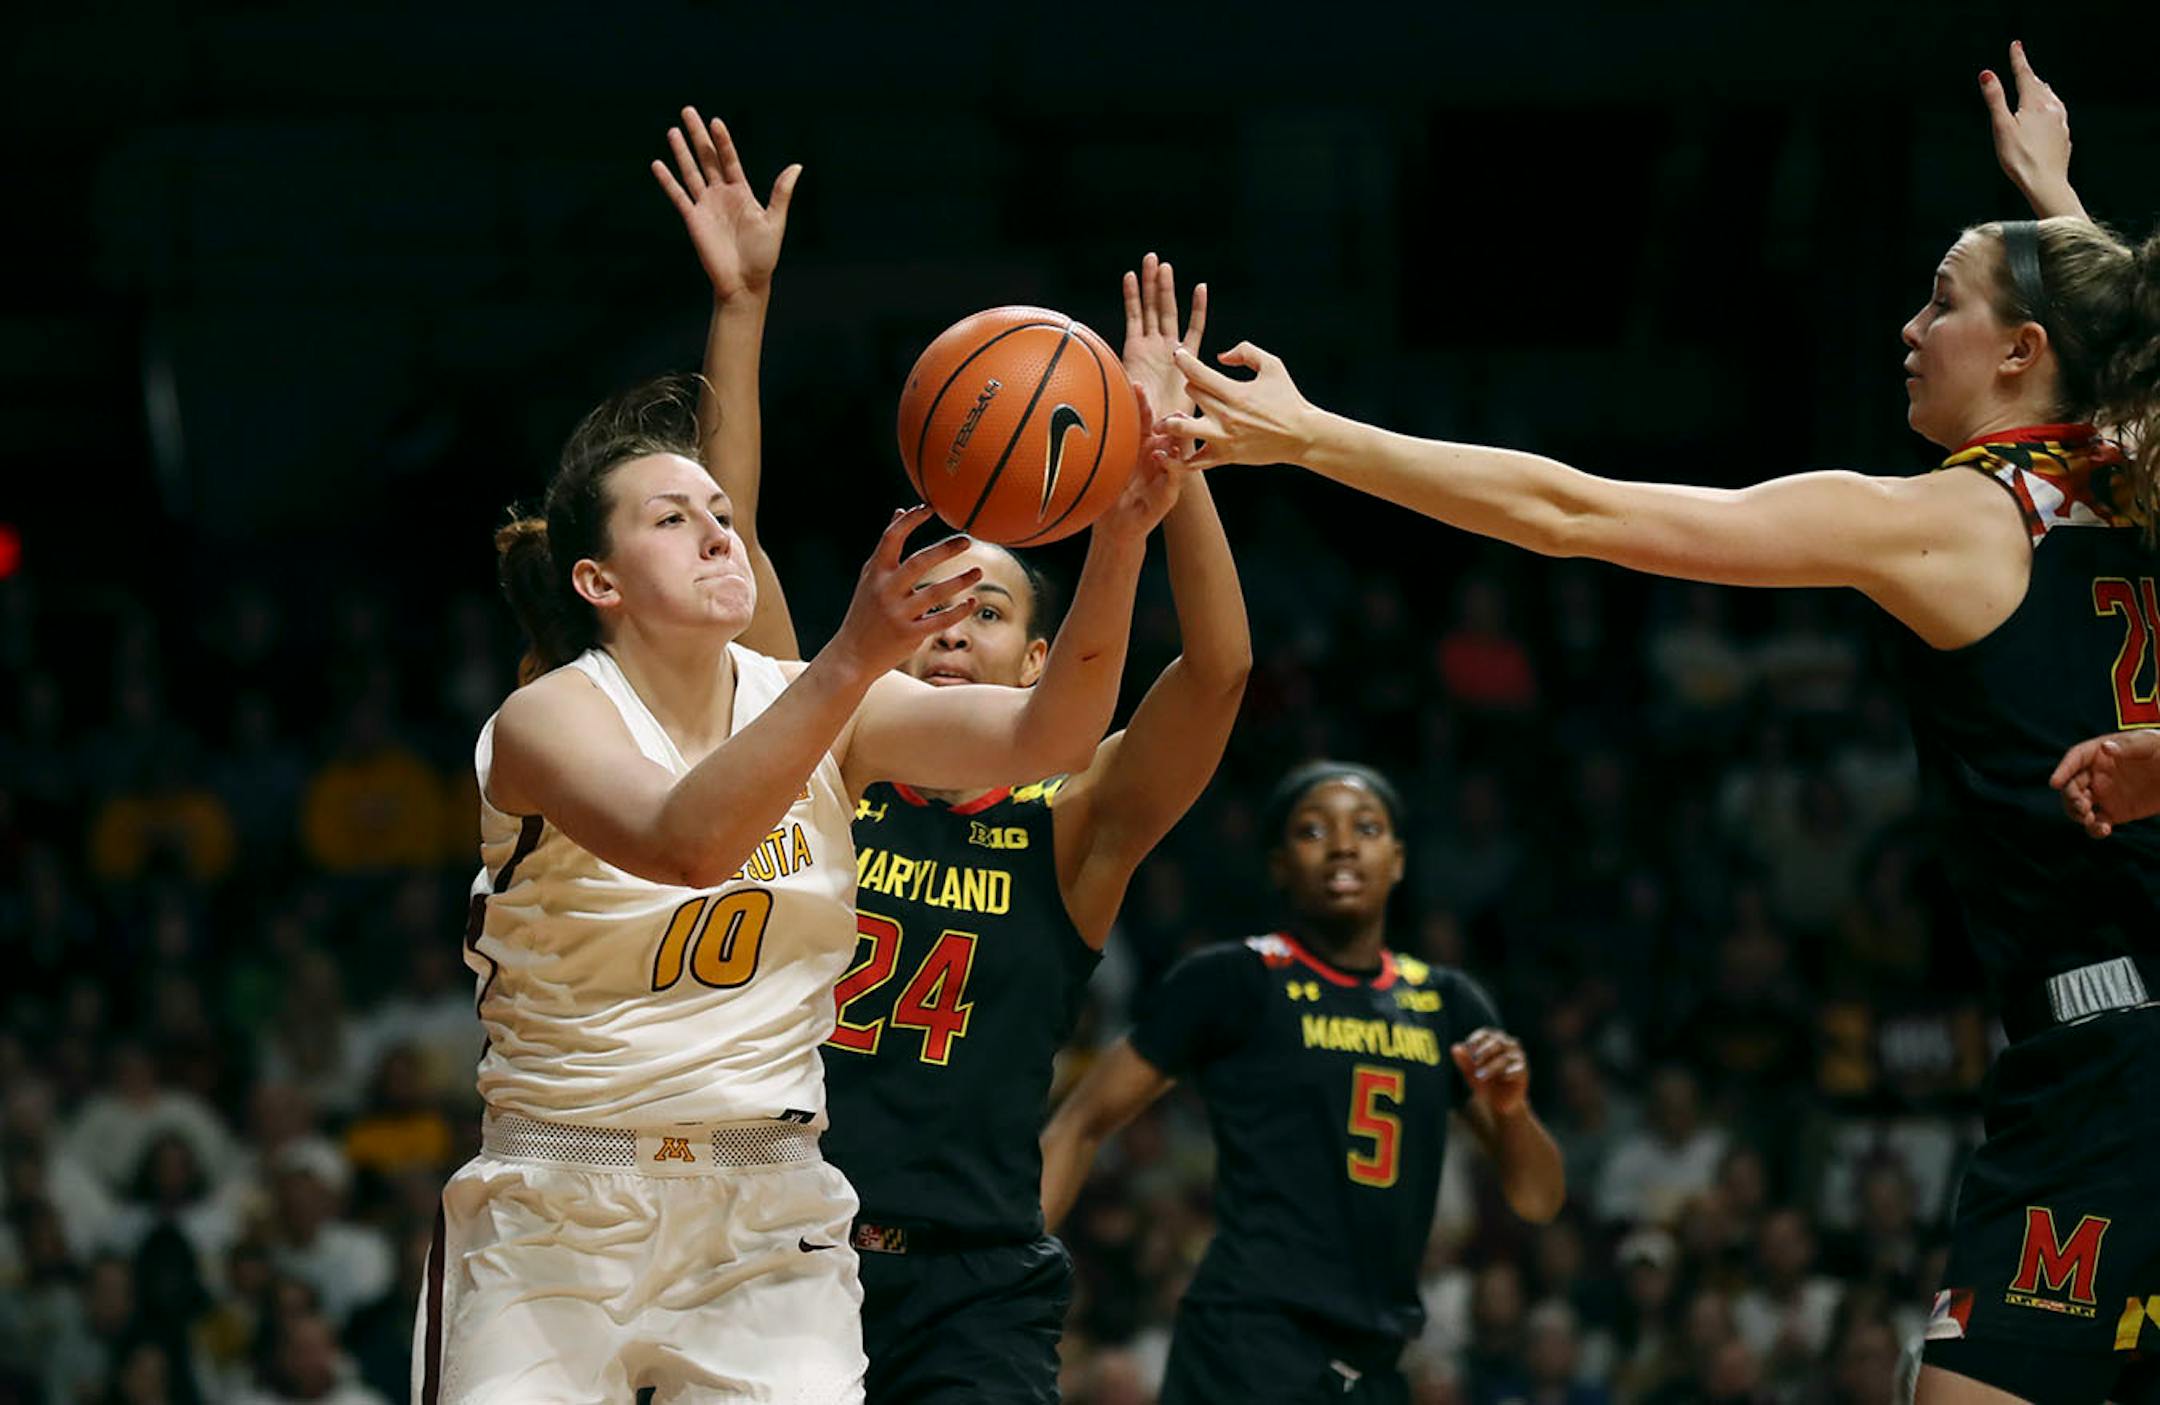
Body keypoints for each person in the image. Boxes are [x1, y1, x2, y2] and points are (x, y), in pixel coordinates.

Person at [1156, 43, 2160, 1405]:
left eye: (1943, 304)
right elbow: (2118, 337)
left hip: (2109, 1064)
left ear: (2022, 353)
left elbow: (1579, 512)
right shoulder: (2136, 467)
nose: (1910, 329)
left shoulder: (1953, 522)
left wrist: (1319, 435)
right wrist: (2056, 198)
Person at [413, 260, 1183, 1403]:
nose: (719, 533)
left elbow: (1055, 732)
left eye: (724, 516)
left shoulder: (831, 703)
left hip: (766, 1210)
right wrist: (854, 656)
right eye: (674, 520)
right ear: (598, 580)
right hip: (555, 1210)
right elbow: (690, 841)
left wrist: (1121, 534)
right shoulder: (549, 719)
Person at [653, 110, 1252, 1401]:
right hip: (774, 1253)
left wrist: (1163, 459)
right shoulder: (830, 747)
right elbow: (725, 538)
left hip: (974, 1282)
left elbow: (1217, 674)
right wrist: (742, 307)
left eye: (988, 609)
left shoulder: (1072, 818)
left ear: (1047, 666)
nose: (950, 624)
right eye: (933, 596)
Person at [1039, 761, 1565, 1403]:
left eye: (1366, 828)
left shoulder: (1449, 1003)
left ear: (1397, 859)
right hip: (1246, 1340)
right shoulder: (1234, 980)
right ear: (1278, 865)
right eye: (1314, 831)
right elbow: (1080, 1121)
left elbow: (1539, 1198)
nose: (1343, 844)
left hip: (1374, 1358)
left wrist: (1511, 1113)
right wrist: (1004, 1269)